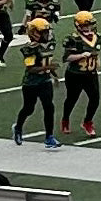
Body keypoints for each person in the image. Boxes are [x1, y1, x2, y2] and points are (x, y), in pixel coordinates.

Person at [12, 18, 61, 149]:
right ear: (34, 33)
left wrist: (54, 76)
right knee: (29, 108)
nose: (46, 34)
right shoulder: (30, 48)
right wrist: (48, 69)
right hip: (31, 83)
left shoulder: (49, 44)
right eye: (43, 32)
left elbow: (47, 61)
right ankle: (18, 127)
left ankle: (49, 137)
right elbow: (31, 68)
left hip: (45, 81)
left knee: (49, 107)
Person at [61, 11, 101, 137]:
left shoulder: (98, 37)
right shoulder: (73, 39)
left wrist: (97, 61)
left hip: (90, 74)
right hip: (75, 74)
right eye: (85, 26)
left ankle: (88, 122)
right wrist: (80, 56)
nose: (88, 28)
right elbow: (66, 58)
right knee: (72, 98)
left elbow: (96, 53)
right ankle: (65, 119)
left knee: (95, 99)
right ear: (78, 26)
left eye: (90, 25)